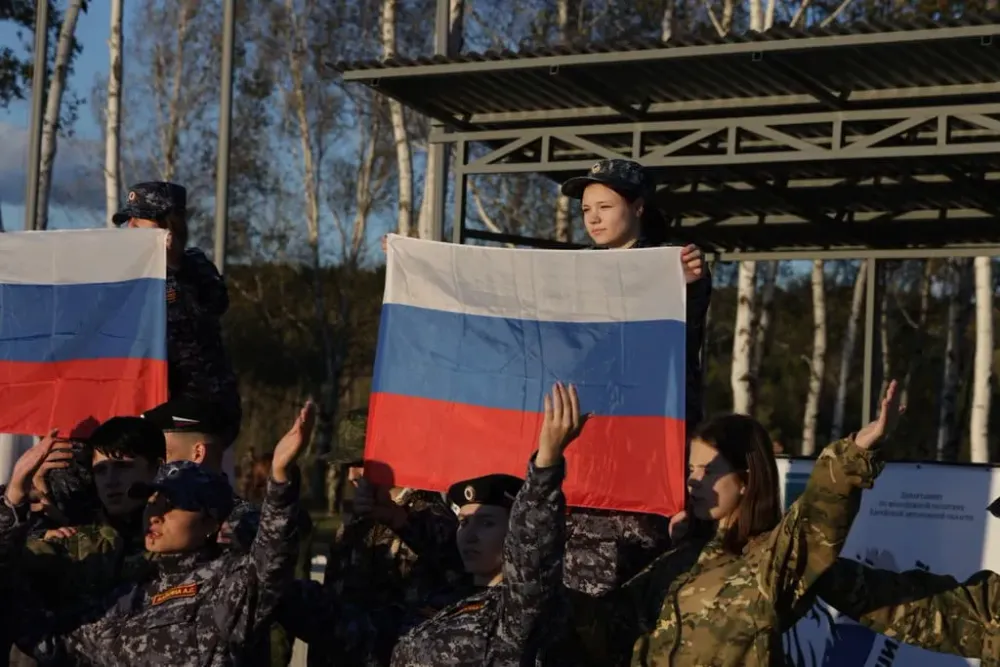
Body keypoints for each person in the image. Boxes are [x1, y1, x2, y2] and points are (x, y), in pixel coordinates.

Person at [573, 381, 902, 666]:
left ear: (746, 480)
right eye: (691, 469)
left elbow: (815, 524)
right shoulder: (679, 556)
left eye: (709, 471)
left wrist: (855, 452)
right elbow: (613, 629)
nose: (694, 481)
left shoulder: (765, 562)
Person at [0, 402, 314, 667]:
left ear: (211, 522)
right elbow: (45, 635)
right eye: (152, 502)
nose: (156, 515)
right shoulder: (128, 597)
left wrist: (280, 478)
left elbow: (271, 560)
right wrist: (13, 501)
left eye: (171, 506)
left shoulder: (227, 584)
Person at [114, 181, 241, 440]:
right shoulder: (126, 274)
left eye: (139, 220)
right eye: (129, 220)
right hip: (147, 399)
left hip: (199, 404)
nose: (131, 227)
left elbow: (211, 307)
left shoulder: (194, 265)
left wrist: (171, 265)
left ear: (166, 225)